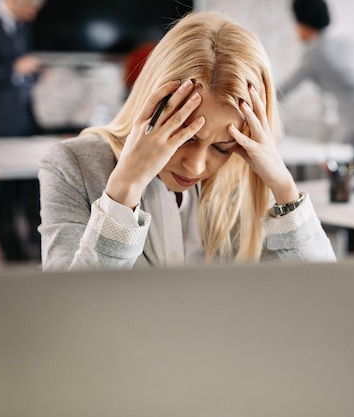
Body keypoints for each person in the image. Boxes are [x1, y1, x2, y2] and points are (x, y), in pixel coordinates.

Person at [38, 11, 336, 271]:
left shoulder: (245, 179)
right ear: (151, 105)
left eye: (222, 147)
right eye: (186, 137)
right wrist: (123, 191)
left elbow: (323, 297)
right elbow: (69, 312)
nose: (194, 166)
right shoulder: (72, 166)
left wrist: (284, 189)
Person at [0, 0, 45, 262]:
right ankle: (8, 252)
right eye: (33, 5)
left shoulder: (20, 26)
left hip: (21, 122)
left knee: (29, 190)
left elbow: (22, 69)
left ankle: (34, 251)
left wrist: (32, 73)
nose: (35, 12)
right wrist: (14, 70)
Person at [277, 0, 354, 145]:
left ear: (303, 23)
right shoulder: (347, 42)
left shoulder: (315, 53)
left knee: (342, 161)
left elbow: (283, 90)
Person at [0, 0, 44, 137]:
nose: (33, 14)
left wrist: (34, 71)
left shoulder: (22, 25)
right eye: (31, 7)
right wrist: (15, 69)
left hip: (22, 116)